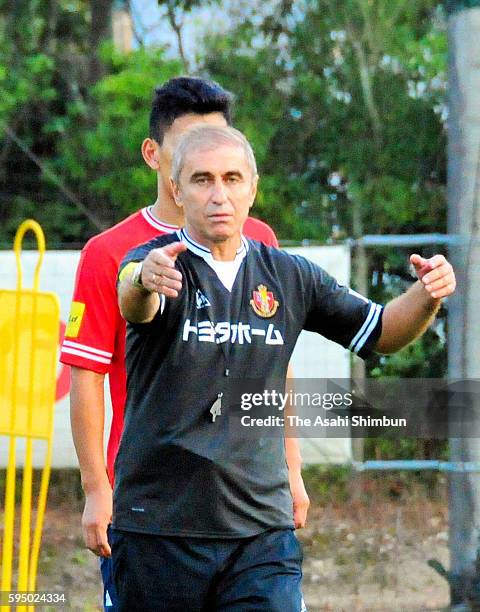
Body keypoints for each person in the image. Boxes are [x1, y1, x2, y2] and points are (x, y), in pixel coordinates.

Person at [115, 125, 456, 611]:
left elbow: (382, 332)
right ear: (176, 190)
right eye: (202, 180)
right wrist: (145, 279)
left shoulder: (290, 276)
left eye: (232, 179)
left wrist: (427, 295)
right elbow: (133, 299)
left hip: (261, 534)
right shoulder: (157, 263)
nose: (219, 194)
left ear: (252, 188)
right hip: (159, 528)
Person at [60, 77, 309, 610]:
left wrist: (292, 469)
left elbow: (272, 368)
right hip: (151, 509)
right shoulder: (110, 253)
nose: (211, 169)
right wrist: (96, 489)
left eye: (222, 150)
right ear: (156, 158)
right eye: (193, 151)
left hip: (248, 509)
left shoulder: (260, 241)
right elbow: (88, 375)